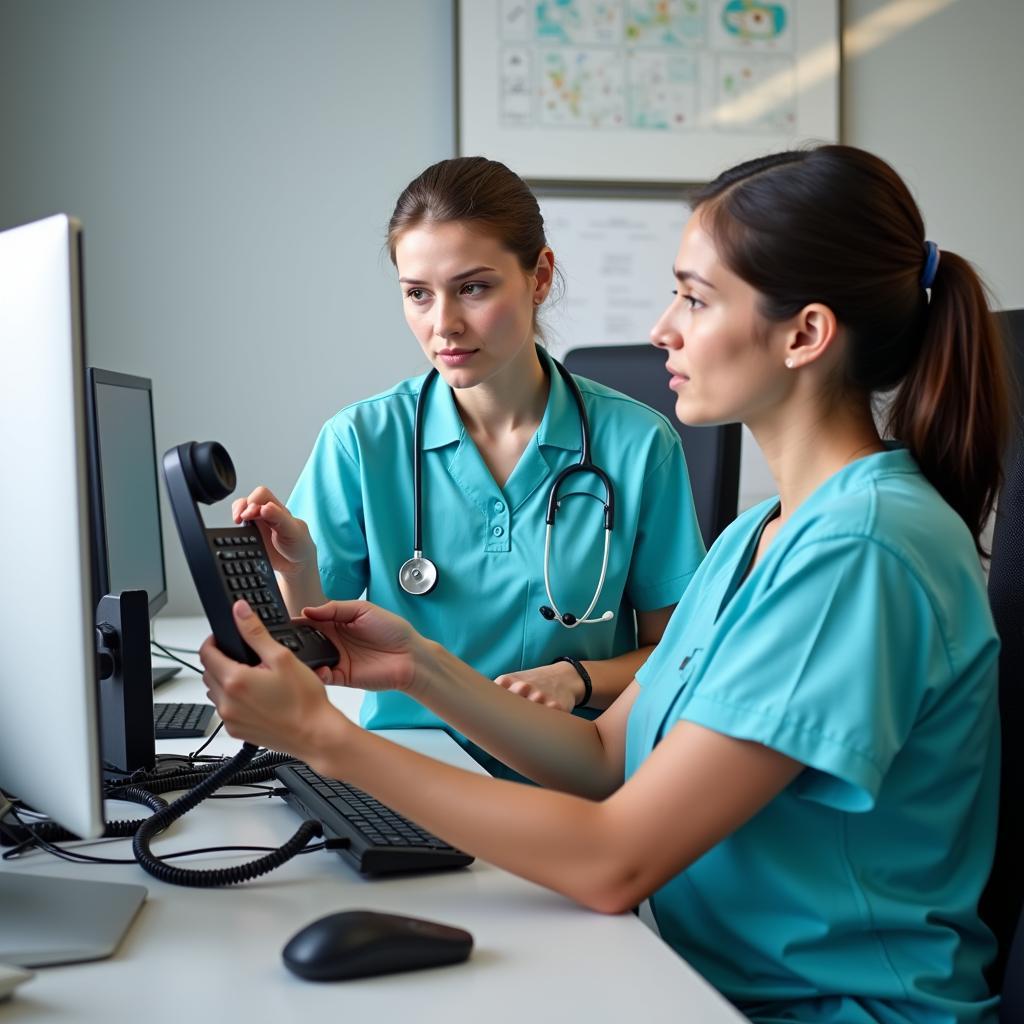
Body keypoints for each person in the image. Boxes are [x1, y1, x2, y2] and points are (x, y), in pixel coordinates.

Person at [201, 144, 1010, 1023]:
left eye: (695, 299)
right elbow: (602, 759)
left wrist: (327, 739)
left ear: (805, 334)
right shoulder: (761, 535)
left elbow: (611, 860)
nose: (663, 328)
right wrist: (418, 667)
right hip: (701, 979)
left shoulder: (861, 553)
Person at [231, 156, 705, 777]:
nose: (443, 326)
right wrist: (296, 570)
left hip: (567, 772)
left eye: (473, 288)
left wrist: (578, 679)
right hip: (410, 768)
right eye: (418, 294)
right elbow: (313, 652)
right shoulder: (360, 441)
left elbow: (679, 654)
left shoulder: (639, 445)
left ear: (539, 276)